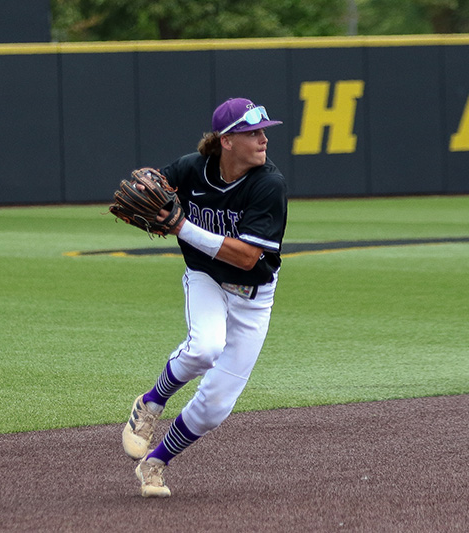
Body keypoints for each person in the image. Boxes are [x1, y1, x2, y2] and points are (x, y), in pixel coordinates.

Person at [122, 97, 288, 498]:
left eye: (264, 130)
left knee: (215, 406)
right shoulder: (191, 169)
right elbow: (149, 187)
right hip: (205, 278)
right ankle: (150, 404)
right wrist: (145, 191)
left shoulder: (268, 184)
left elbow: (248, 257)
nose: (264, 139)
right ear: (227, 141)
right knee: (204, 348)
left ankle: (155, 464)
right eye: (253, 132)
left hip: (253, 295)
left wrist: (180, 225)